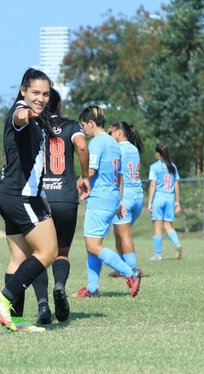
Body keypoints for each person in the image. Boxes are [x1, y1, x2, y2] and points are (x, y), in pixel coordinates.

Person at [0, 68, 58, 333]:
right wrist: (26, 113)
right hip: (20, 196)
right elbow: (19, 116)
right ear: (23, 90)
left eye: (45, 94)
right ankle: (2, 299)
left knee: (19, 258)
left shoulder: (37, 118)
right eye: (35, 92)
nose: (40, 98)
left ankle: (14, 320)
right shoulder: (20, 111)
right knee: (48, 251)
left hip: (13, 194)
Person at [31, 88, 90, 325]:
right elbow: (83, 147)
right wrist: (84, 176)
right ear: (59, 105)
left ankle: (43, 305)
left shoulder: (34, 126)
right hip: (66, 197)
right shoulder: (72, 125)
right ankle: (59, 286)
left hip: (39, 197)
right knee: (61, 254)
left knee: (38, 255)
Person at [72, 106, 142, 299]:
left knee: (93, 246)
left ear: (91, 123)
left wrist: (75, 185)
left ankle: (130, 273)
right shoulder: (114, 144)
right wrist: (119, 201)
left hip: (100, 199)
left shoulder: (96, 143)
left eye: (83, 126)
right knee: (94, 245)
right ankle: (92, 289)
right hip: (111, 198)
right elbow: (119, 177)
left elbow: (90, 172)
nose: (82, 130)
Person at [108, 122, 144, 279]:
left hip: (125, 197)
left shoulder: (117, 148)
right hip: (138, 196)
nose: (109, 135)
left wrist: (119, 199)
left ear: (119, 132)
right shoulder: (134, 149)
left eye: (111, 132)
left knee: (124, 235)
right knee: (120, 233)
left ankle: (131, 270)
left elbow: (118, 176)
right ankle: (121, 268)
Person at [148, 144, 182, 261]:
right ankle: (177, 244)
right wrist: (177, 201)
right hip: (170, 198)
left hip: (159, 198)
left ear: (158, 154)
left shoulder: (154, 167)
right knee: (168, 226)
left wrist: (149, 202)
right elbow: (176, 184)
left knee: (158, 227)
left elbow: (153, 185)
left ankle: (158, 254)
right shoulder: (173, 166)